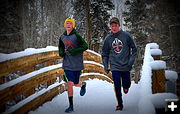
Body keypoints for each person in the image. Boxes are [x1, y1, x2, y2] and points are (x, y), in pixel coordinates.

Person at [101, 17, 137, 111]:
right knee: (116, 85)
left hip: (126, 65)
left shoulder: (126, 36)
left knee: (126, 85)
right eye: (112, 26)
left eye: (115, 25)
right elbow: (104, 54)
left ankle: (126, 87)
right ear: (110, 27)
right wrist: (105, 65)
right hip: (114, 66)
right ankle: (120, 104)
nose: (114, 27)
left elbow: (134, 50)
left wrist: (130, 61)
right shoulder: (108, 39)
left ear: (119, 26)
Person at [58, 18, 88, 113]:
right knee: (69, 84)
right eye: (67, 23)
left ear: (73, 25)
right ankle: (71, 106)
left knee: (74, 83)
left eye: (70, 23)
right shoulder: (62, 37)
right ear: (65, 25)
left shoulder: (77, 36)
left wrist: (75, 51)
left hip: (77, 64)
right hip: (67, 64)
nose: (68, 25)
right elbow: (61, 47)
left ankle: (82, 85)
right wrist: (61, 53)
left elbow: (85, 46)